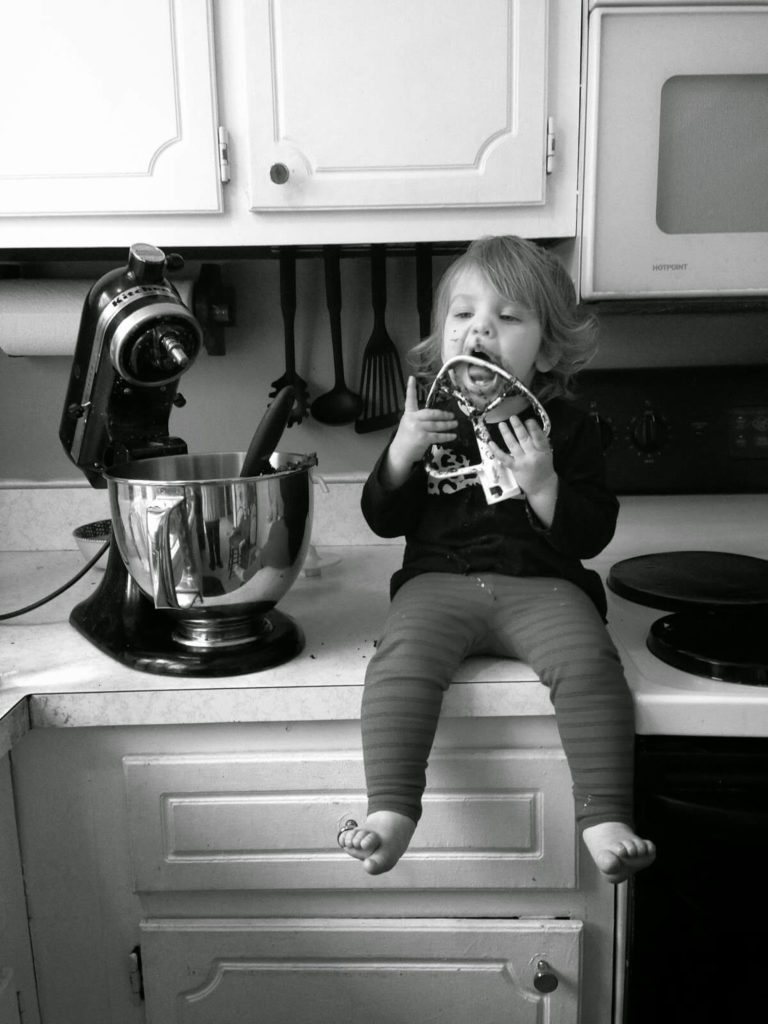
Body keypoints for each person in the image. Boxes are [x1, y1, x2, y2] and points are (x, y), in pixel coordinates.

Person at [337, 235, 655, 884]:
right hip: (438, 583)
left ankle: (605, 818)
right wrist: (400, 456)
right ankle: (391, 812)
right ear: (442, 337)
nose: (481, 326)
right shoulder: (429, 417)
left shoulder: (566, 427)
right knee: (398, 665)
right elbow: (382, 518)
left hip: (543, 586)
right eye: (463, 315)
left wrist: (545, 485)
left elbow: (591, 533)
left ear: (549, 347)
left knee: (591, 663)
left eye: (508, 317)